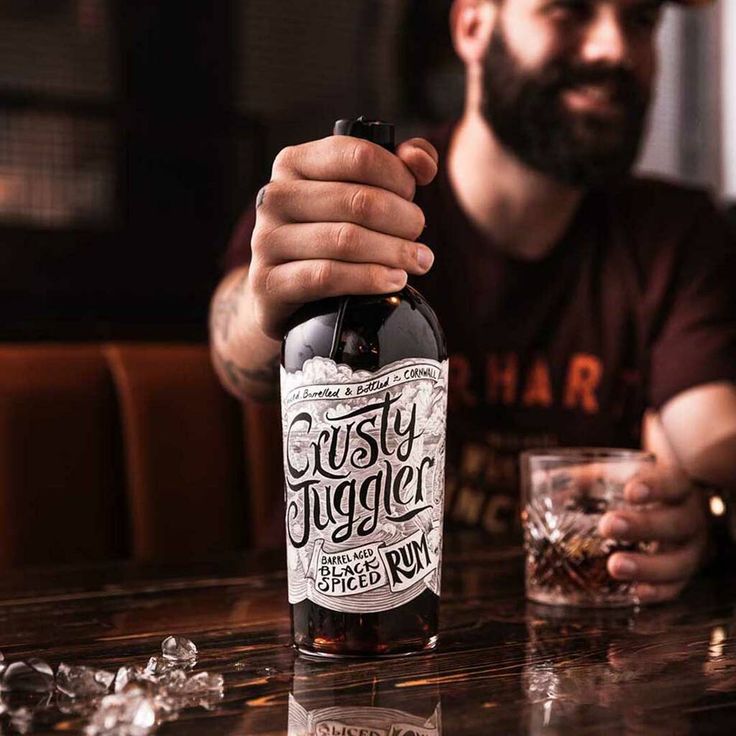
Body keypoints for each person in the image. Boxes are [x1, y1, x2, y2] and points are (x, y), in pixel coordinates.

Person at [210, 0, 736, 603]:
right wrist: (272, 300)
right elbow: (238, 352)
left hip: (576, 653)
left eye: (640, 20)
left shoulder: (677, 233)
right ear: (472, 25)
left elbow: (712, 434)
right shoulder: (369, 208)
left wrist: (700, 508)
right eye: (569, 11)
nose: (612, 49)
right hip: (346, 631)